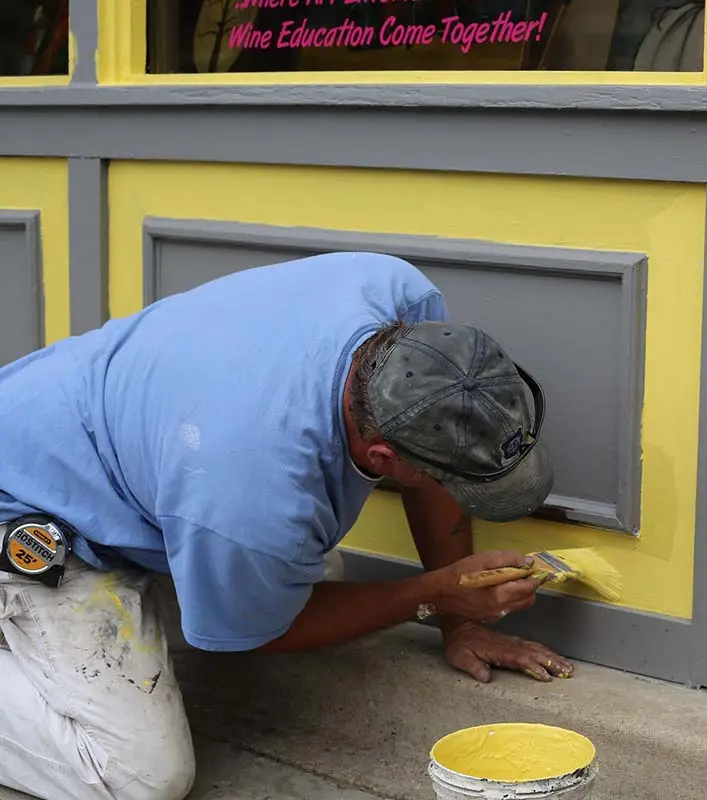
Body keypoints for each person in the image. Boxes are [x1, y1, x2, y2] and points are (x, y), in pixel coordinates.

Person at [0, 251, 573, 800]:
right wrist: (433, 597)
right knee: (142, 777)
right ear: (382, 460)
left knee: (306, 571)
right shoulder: (249, 494)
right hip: (30, 512)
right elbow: (270, 631)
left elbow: (436, 460)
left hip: (107, 451)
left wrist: (460, 620)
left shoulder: (400, 301)